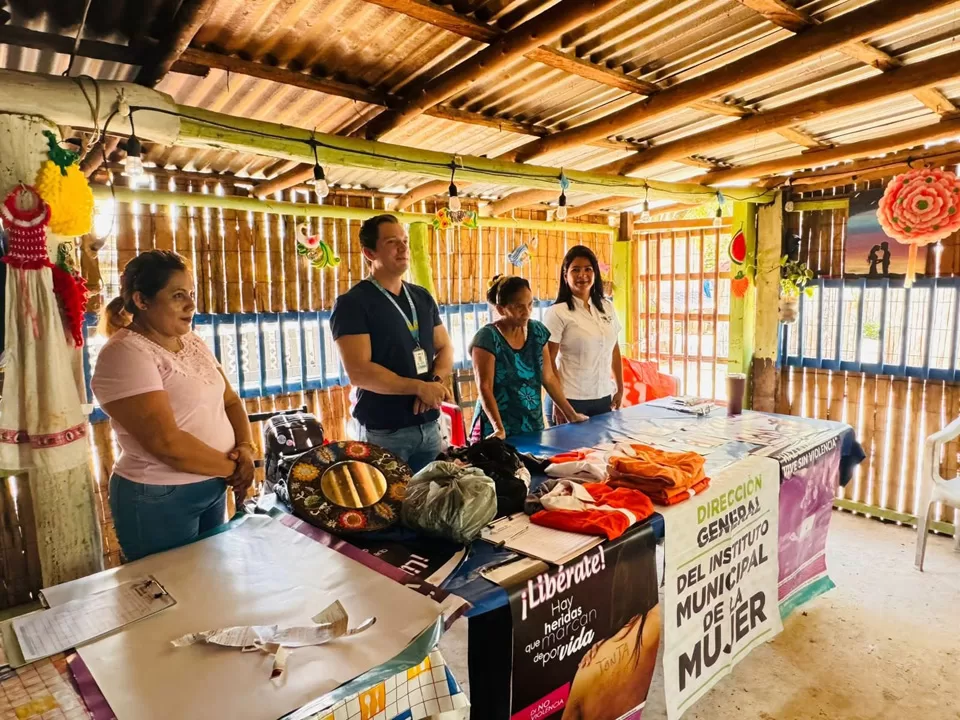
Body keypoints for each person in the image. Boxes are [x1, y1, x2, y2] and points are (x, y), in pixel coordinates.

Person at [91, 250, 254, 562]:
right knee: (172, 593)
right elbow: (167, 444)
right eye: (178, 295)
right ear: (141, 301)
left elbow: (230, 400)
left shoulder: (191, 340)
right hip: (160, 495)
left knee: (208, 580)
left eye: (191, 294)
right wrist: (236, 469)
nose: (191, 304)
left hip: (213, 483)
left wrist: (245, 447)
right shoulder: (125, 354)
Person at [332, 214, 453, 471]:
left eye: (405, 241)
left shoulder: (421, 296)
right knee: (388, 509)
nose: (403, 248)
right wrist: (417, 388)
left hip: (429, 425)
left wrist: (434, 383)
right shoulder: (353, 303)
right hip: (384, 431)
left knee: (429, 503)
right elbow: (360, 372)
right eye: (391, 242)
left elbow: (445, 347)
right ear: (369, 252)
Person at [470, 275, 588, 440]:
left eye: (530, 304)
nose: (527, 312)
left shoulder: (537, 332)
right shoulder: (487, 338)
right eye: (519, 307)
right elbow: (485, 388)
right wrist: (498, 429)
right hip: (495, 428)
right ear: (501, 309)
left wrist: (571, 415)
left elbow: (548, 378)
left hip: (531, 424)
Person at [543, 245, 624, 425]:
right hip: (570, 399)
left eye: (588, 269)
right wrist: (560, 403)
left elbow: (614, 350)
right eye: (575, 270)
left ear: (595, 273)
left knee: (601, 452)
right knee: (570, 454)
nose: (582, 275)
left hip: (603, 397)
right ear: (565, 276)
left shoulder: (607, 306)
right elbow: (548, 362)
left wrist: (620, 388)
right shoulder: (557, 312)